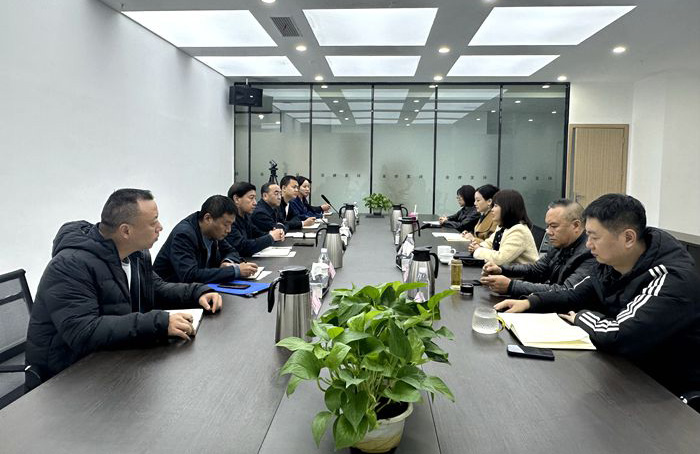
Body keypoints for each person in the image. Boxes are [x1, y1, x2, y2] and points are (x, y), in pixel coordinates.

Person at [495, 194, 700, 396]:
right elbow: (574, 293)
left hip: (666, 390)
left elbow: (619, 334)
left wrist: (581, 316)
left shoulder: (672, 278)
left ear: (628, 238)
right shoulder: (611, 262)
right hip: (622, 370)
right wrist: (530, 302)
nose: (588, 244)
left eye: (594, 237)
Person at [26, 189, 222, 380]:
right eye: (153, 222)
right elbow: (84, 332)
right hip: (67, 377)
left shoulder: (135, 254)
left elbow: (156, 288)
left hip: (114, 361)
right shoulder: (70, 265)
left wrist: (197, 292)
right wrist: (158, 323)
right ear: (126, 231)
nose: (160, 227)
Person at [480, 199, 596, 296]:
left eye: (554, 226)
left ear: (576, 225)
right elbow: (536, 269)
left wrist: (511, 286)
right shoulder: (561, 244)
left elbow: (566, 290)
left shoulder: (590, 253)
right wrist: (502, 269)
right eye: (547, 226)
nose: (548, 232)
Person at [153, 195, 258, 284]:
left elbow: (232, 251)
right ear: (208, 218)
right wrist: (235, 271)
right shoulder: (184, 234)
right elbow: (189, 275)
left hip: (196, 290)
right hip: (169, 296)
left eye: (231, 224)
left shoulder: (213, 232)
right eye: (226, 224)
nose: (229, 230)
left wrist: (227, 262)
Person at [469, 189, 539, 266]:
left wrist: (478, 250)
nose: (492, 210)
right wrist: (479, 246)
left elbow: (500, 259)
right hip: (508, 271)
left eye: (495, 206)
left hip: (521, 273)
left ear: (507, 208)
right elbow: (490, 243)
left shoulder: (519, 231)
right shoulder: (503, 227)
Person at [225, 182, 284, 257]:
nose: (255, 203)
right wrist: (271, 237)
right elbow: (242, 247)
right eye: (251, 198)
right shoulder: (228, 221)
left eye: (255, 198)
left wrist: (275, 234)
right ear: (236, 199)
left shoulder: (246, 216)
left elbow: (257, 234)